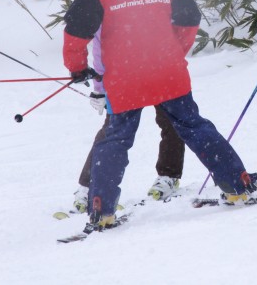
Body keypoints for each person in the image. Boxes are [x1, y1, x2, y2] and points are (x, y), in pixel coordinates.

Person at [63, 0, 257, 228]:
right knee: (195, 127)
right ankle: (238, 185)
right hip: (168, 74)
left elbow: (75, 30)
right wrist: (172, 53)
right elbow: (189, 20)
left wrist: (78, 68)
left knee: (116, 139)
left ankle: (102, 209)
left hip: (124, 79)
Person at [71, 26, 185, 213]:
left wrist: (174, 59)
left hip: (162, 70)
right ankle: (89, 187)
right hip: (126, 77)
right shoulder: (105, 4)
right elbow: (100, 52)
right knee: (112, 132)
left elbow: (181, 28)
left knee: (171, 120)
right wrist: (99, 89)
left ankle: (168, 176)